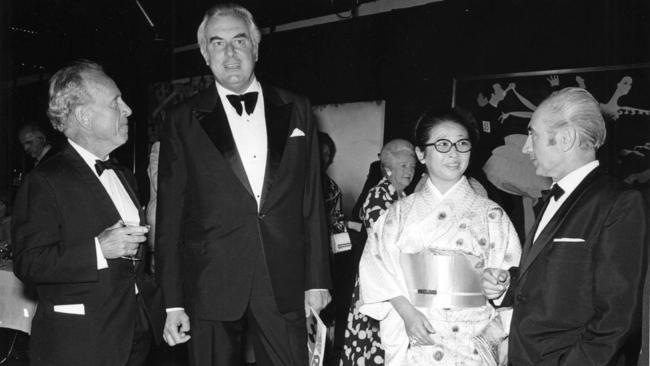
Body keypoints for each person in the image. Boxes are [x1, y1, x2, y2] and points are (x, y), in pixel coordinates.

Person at [155, 4, 331, 366]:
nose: (229, 53)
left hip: (283, 278)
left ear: (255, 46)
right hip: (210, 283)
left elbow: (312, 201)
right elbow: (170, 217)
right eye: (217, 43)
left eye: (239, 40)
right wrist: (172, 301)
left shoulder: (297, 108)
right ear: (205, 54)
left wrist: (317, 280)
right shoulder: (181, 120)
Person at [11, 59, 163, 366]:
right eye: (115, 102)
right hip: (81, 344)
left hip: (136, 335)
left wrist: (159, 194)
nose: (128, 109)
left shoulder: (123, 175)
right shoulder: (44, 180)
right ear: (84, 116)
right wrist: (98, 249)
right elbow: (28, 262)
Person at [483, 87, 648, 365]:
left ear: (566, 138)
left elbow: (616, 320)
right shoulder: (551, 199)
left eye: (532, 134)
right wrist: (507, 287)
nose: (525, 147)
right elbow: (560, 282)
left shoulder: (620, 203)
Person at [359, 109, 521, 365]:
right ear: (421, 153)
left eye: (462, 143)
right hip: (418, 332)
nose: (454, 153)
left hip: (473, 338)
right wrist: (407, 314)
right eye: (443, 144)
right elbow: (376, 268)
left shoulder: (492, 214)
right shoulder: (398, 214)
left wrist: (500, 282)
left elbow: (513, 281)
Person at [339, 139, 416, 366]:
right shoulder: (379, 195)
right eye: (403, 166)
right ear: (388, 167)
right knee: (374, 340)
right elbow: (385, 242)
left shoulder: (402, 197)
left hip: (393, 279)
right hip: (380, 281)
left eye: (412, 167)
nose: (409, 172)